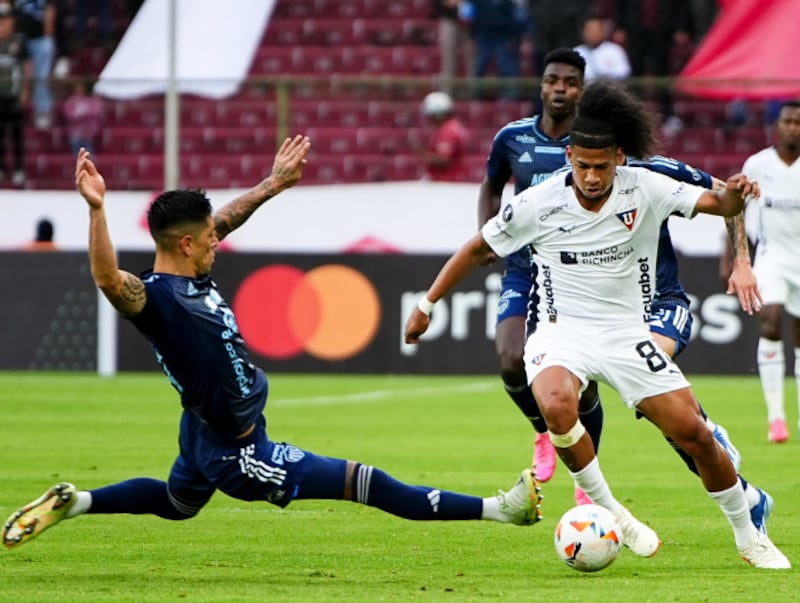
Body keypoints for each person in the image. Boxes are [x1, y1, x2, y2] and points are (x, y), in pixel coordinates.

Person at [2, 139, 543, 550]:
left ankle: (79, 503)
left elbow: (227, 218)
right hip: (240, 452)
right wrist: (96, 210)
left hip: (204, 429)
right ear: (187, 243)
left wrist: (274, 184)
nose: (220, 238)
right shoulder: (159, 302)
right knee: (364, 482)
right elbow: (107, 281)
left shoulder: (189, 274)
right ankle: (502, 510)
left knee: (176, 502)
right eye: (210, 236)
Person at [408, 81, 790, 569]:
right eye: (583, 165)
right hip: (560, 330)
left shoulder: (646, 185)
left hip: (627, 332)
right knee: (554, 402)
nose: (591, 176)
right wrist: (427, 302)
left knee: (693, 434)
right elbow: (478, 247)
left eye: (602, 166)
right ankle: (610, 509)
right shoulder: (539, 202)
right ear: (569, 156)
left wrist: (736, 194)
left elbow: (722, 206)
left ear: (620, 158)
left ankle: (747, 531)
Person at [477, 49, 762, 517]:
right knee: (546, 374)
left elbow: (727, 198)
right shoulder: (530, 152)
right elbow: (492, 190)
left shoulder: (647, 171)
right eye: (552, 81)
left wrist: (742, 262)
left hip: (656, 303)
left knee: (657, 404)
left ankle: (723, 465)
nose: (592, 172)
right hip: (578, 296)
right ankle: (566, 450)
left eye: (571, 84)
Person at [740, 101, 800, 443]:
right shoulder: (757, 165)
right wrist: (734, 260)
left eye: (798, 122)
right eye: (788, 121)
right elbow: (735, 210)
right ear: (777, 125)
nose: (793, 127)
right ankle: (776, 418)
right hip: (772, 255)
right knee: (772, 320)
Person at [0, 1, 30, 187]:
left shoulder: (19, 42)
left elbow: (27, 67)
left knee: (17, 133)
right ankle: (2, 168)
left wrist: (26, 91)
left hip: (14, 93)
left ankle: (19, 169)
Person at [13, 0, 56, 129]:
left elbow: (50, 10)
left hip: (39, 39)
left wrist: (47, 36)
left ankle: (42, 110)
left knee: (40, 76)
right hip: (19, 39)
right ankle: (14, 110)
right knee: (16, 75)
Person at [416, 91, 468, 182]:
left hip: (447, 182)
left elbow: (444, 160)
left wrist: (421, 153)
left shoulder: (448, 131)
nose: (429, 120)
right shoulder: (450, 127)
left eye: (431, 116)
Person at [574, 13, 631, 82]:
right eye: (590, 30)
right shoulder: (577, 52)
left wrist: (606, 76)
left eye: (596, 30)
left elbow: (625, 71)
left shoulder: (614, 50)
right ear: (583, 32)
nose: (593, 33)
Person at [62, 78, 103, 153]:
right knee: (77, 154)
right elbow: (69, 115)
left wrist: (85, 115)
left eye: (80, 88)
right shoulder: (70, 101)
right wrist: (79, 116)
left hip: (89, 132)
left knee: (88, 154)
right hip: (75, 132)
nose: (79, 90)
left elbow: (96, 112)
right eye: (77, 88)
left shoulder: (90, 100)